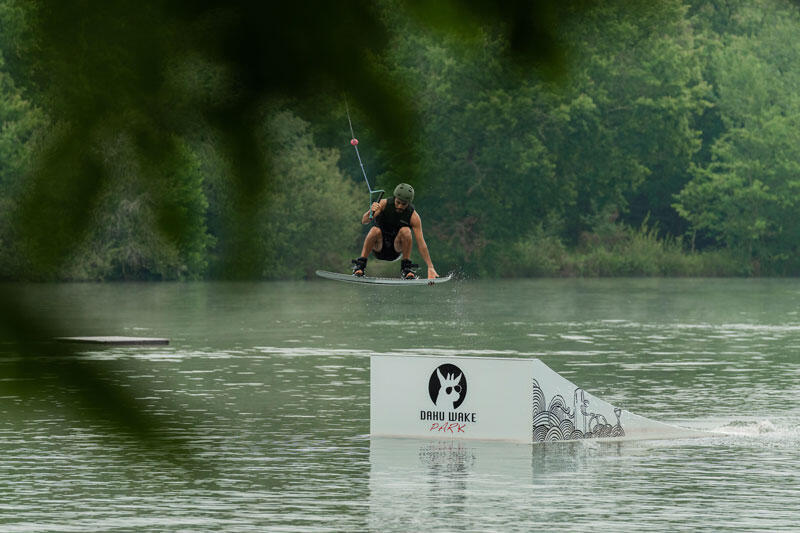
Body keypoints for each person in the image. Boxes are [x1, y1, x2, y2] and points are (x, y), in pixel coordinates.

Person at [352, 183, 439, 280]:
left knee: (406, 231)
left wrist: (430, 267)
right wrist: (370, 211)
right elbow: (364, 221)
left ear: (409, 203)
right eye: (398, 202)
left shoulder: (414, 216)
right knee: (374, 230)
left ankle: (406, 269)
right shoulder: (383, 204)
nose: (400, 206)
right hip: (379, 247)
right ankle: (360, 266)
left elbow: (421, 244)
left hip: (396, 250)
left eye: (404, 204)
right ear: (394, 198)